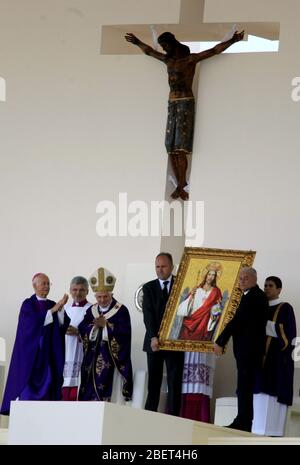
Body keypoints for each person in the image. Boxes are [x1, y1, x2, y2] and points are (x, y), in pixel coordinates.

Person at [125, 30, 244, 201]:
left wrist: (233, 40)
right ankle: (181, 185)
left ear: (173, 44)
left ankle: (181, 185)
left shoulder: (190, 60)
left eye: (165, 46)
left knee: (181, 148)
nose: (164, 49)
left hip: (185, 103)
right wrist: (136, 42)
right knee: (171, 148)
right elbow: (149, 51)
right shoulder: (168, 60)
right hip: (172, 104)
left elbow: (214, 50)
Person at [0, 273, 69, 415]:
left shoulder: (51, 304)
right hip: (32, 355)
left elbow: (61, 327)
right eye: (43, 283)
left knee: (49, 382)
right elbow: (29, 324)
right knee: (28, 385)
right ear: (34, 285)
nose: (47, 286)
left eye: (48, 283)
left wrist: (61, 311)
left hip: (47, 355)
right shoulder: (28, 304)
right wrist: (54, 310)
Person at [214, 267, 268, 432]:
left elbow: (237, 321)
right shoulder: (250, 296)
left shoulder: (255, 297)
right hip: (247, 350)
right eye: (240, 278)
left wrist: (220, 341)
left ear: (254, 279)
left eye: (246, 278)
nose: (242, 280)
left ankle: (243, 423)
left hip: (249, 351)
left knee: (244, 387)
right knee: (244, 387)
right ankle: (242, 420)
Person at [78, 267, 133, 402]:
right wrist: (94, 326)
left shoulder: (121, 310)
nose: (102, 300)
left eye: (105, 296)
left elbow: (125, 334)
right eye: (99, 297)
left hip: (111, 359)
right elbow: (82, 327)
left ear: (111, 294)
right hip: (92, 358)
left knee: (108, 394)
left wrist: (107, 326)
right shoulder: (92, 310)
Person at [252, 276, 297, 436]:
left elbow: (289, 335)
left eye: (271, 285)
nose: (267, 288)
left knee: (271, 404)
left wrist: (264, 325)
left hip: (276, 363)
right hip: (257, 360)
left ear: (279, 289)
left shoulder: (285, 308)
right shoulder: (258, 306)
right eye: (265, 285)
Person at [142, 252, 184, 416]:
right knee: (154, 382)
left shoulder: (181, 285)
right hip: (154, 341)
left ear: (172, 267)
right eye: (157, 267)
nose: (160, 270)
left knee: (174, 382)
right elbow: (148, 314)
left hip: (176, 341)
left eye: (164, 266)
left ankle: (174, 417)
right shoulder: (149, 287)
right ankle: (149, 415)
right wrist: (153, 336)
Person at [62, 276, 91, 401]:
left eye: (81, 290)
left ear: (87, 291)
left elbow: (95, 332)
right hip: (65, 351)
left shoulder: (91, 309)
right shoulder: (65, 309)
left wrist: (79, 332)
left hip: (81, 353)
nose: (78, 293)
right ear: (70, 290)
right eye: (74, 290)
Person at [177, 263, 223, 341]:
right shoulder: (197, 289)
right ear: (206, 275)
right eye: (209, 274)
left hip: (203, 324)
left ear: (215, 277)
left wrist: (214, 314)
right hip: (190, 321)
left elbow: (217, 309)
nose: (211, 277)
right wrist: (191, 296)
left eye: (213, 275)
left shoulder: (216, 292)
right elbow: (185, 307)